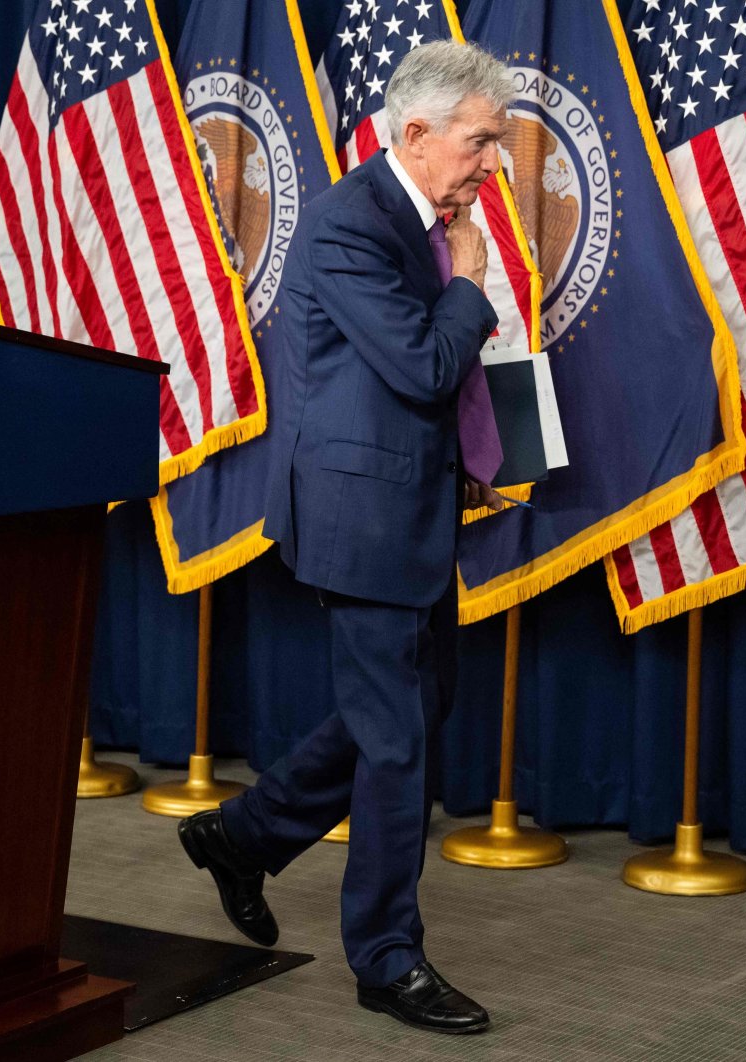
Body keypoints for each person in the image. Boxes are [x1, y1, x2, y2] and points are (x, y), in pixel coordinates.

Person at [177, 40, 514, 1035]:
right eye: (480, 139)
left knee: (413, 705)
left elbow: (406, 385)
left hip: (410, 505)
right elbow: (417, 365)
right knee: (398, 739)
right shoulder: (345, 225)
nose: (495, 160)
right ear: (416, 134)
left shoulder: (424, 217)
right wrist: (473, 281)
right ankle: (385, 960)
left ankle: (242, 836)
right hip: (359, 518)